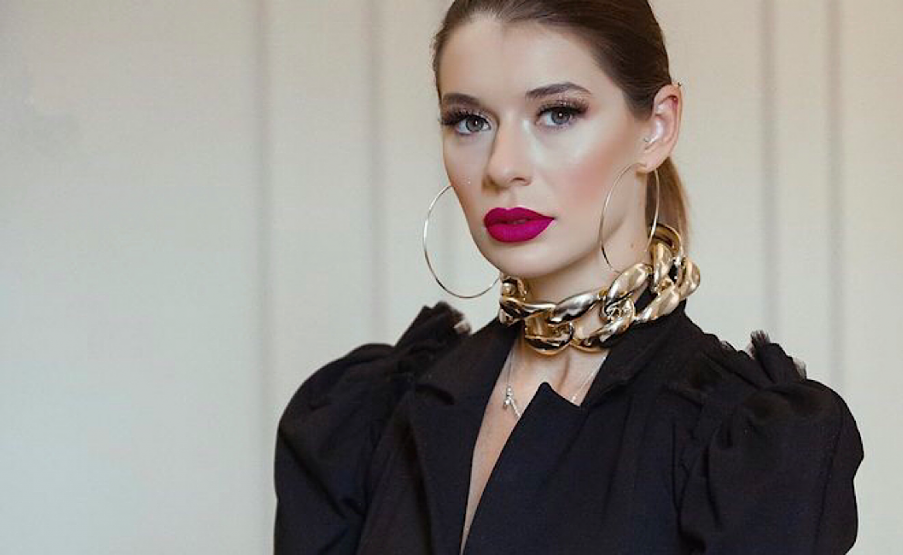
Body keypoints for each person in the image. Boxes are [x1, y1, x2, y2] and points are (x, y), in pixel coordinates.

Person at [273, 0, 864, 553]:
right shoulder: (369, 418)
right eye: (470, 121)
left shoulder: (743, 448)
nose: (503, 166)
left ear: (657, 127)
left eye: (558, 113)